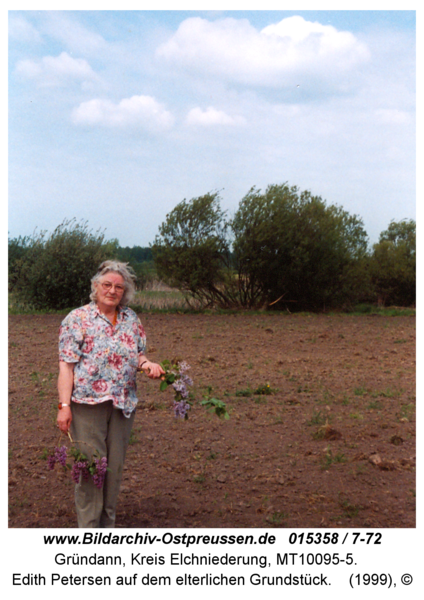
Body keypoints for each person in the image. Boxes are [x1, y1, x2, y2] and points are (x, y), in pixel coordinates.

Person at [57, 260, 164, 528]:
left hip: (123, 405)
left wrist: (147, 365)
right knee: (90, 469)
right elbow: (66, 366)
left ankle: (108, 530)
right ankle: (89, 530)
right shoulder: (77, 319)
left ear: (124, 292)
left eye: (118, 287)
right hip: (86, 405)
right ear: (96, 286)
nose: (112, 290)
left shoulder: (131, 319)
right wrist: (64, 405)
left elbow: (138, 354)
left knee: (113, 471)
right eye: (107, 284)